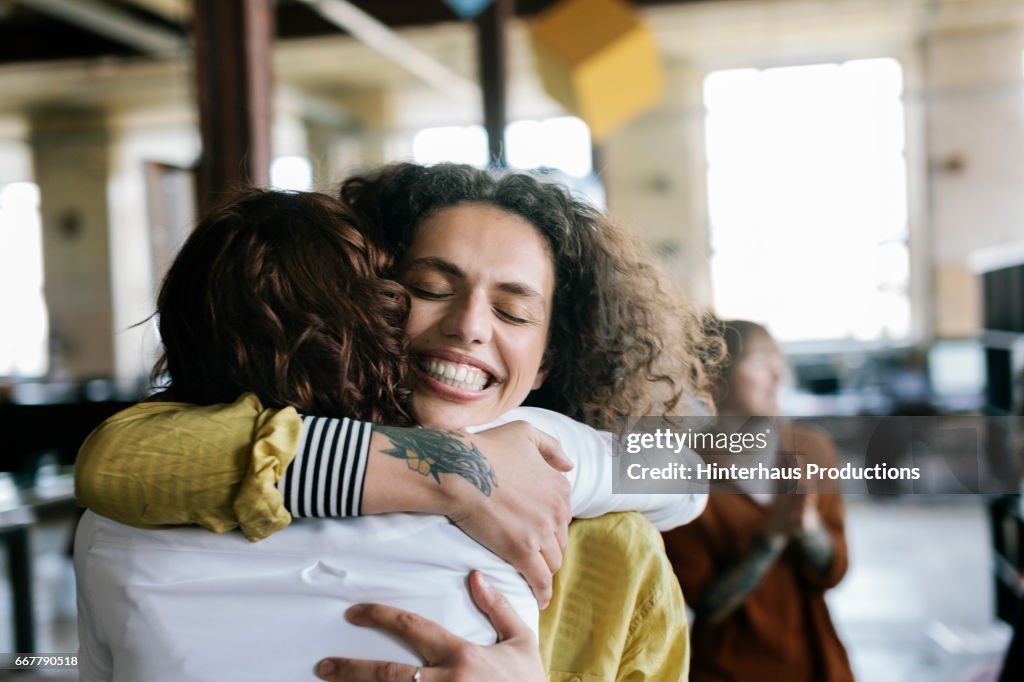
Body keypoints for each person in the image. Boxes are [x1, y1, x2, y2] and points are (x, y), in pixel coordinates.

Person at [76, 166, 712, 680]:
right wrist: (455, 473)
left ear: (548, 360)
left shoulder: (610, 544)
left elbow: (690, 472)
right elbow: (117, 460)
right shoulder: (201, 469)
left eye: (514, 312)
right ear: (368, 301)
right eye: (430, 287)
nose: (469, 325)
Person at [661, 319, 855, 682]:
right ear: (712, 379)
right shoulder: (681, 472)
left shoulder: (812, 449)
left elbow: (834, 572)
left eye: (778, 358)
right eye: (761, 359)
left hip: (819, 665)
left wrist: (810, 531)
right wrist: (771, 538)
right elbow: (707, 605)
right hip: (728, 671)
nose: (778, 373)